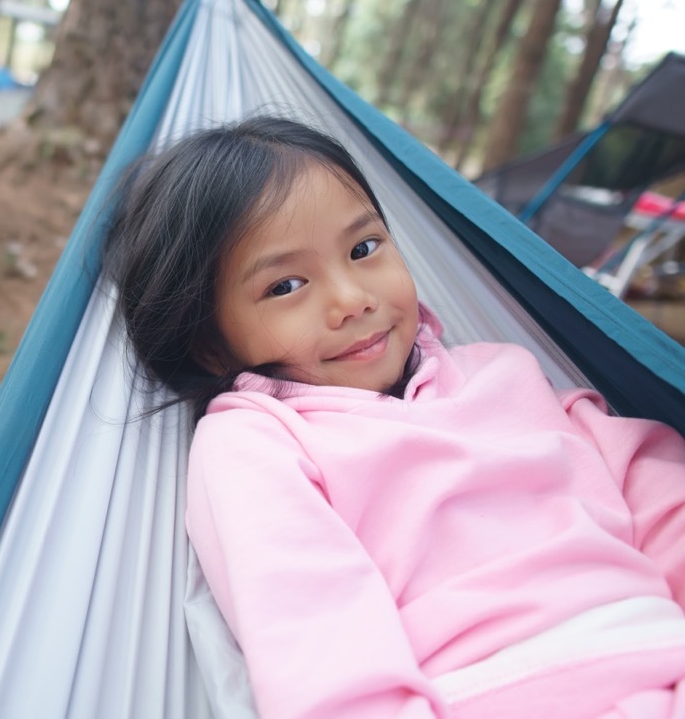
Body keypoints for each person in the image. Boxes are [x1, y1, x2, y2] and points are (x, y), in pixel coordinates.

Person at [103, 116, 685, 718]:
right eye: (286, 285)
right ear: (211, 347)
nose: (353, 299)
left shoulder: (503, 370)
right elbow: (322, 650)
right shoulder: (259, 442)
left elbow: (654, 488)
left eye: (363, 249)